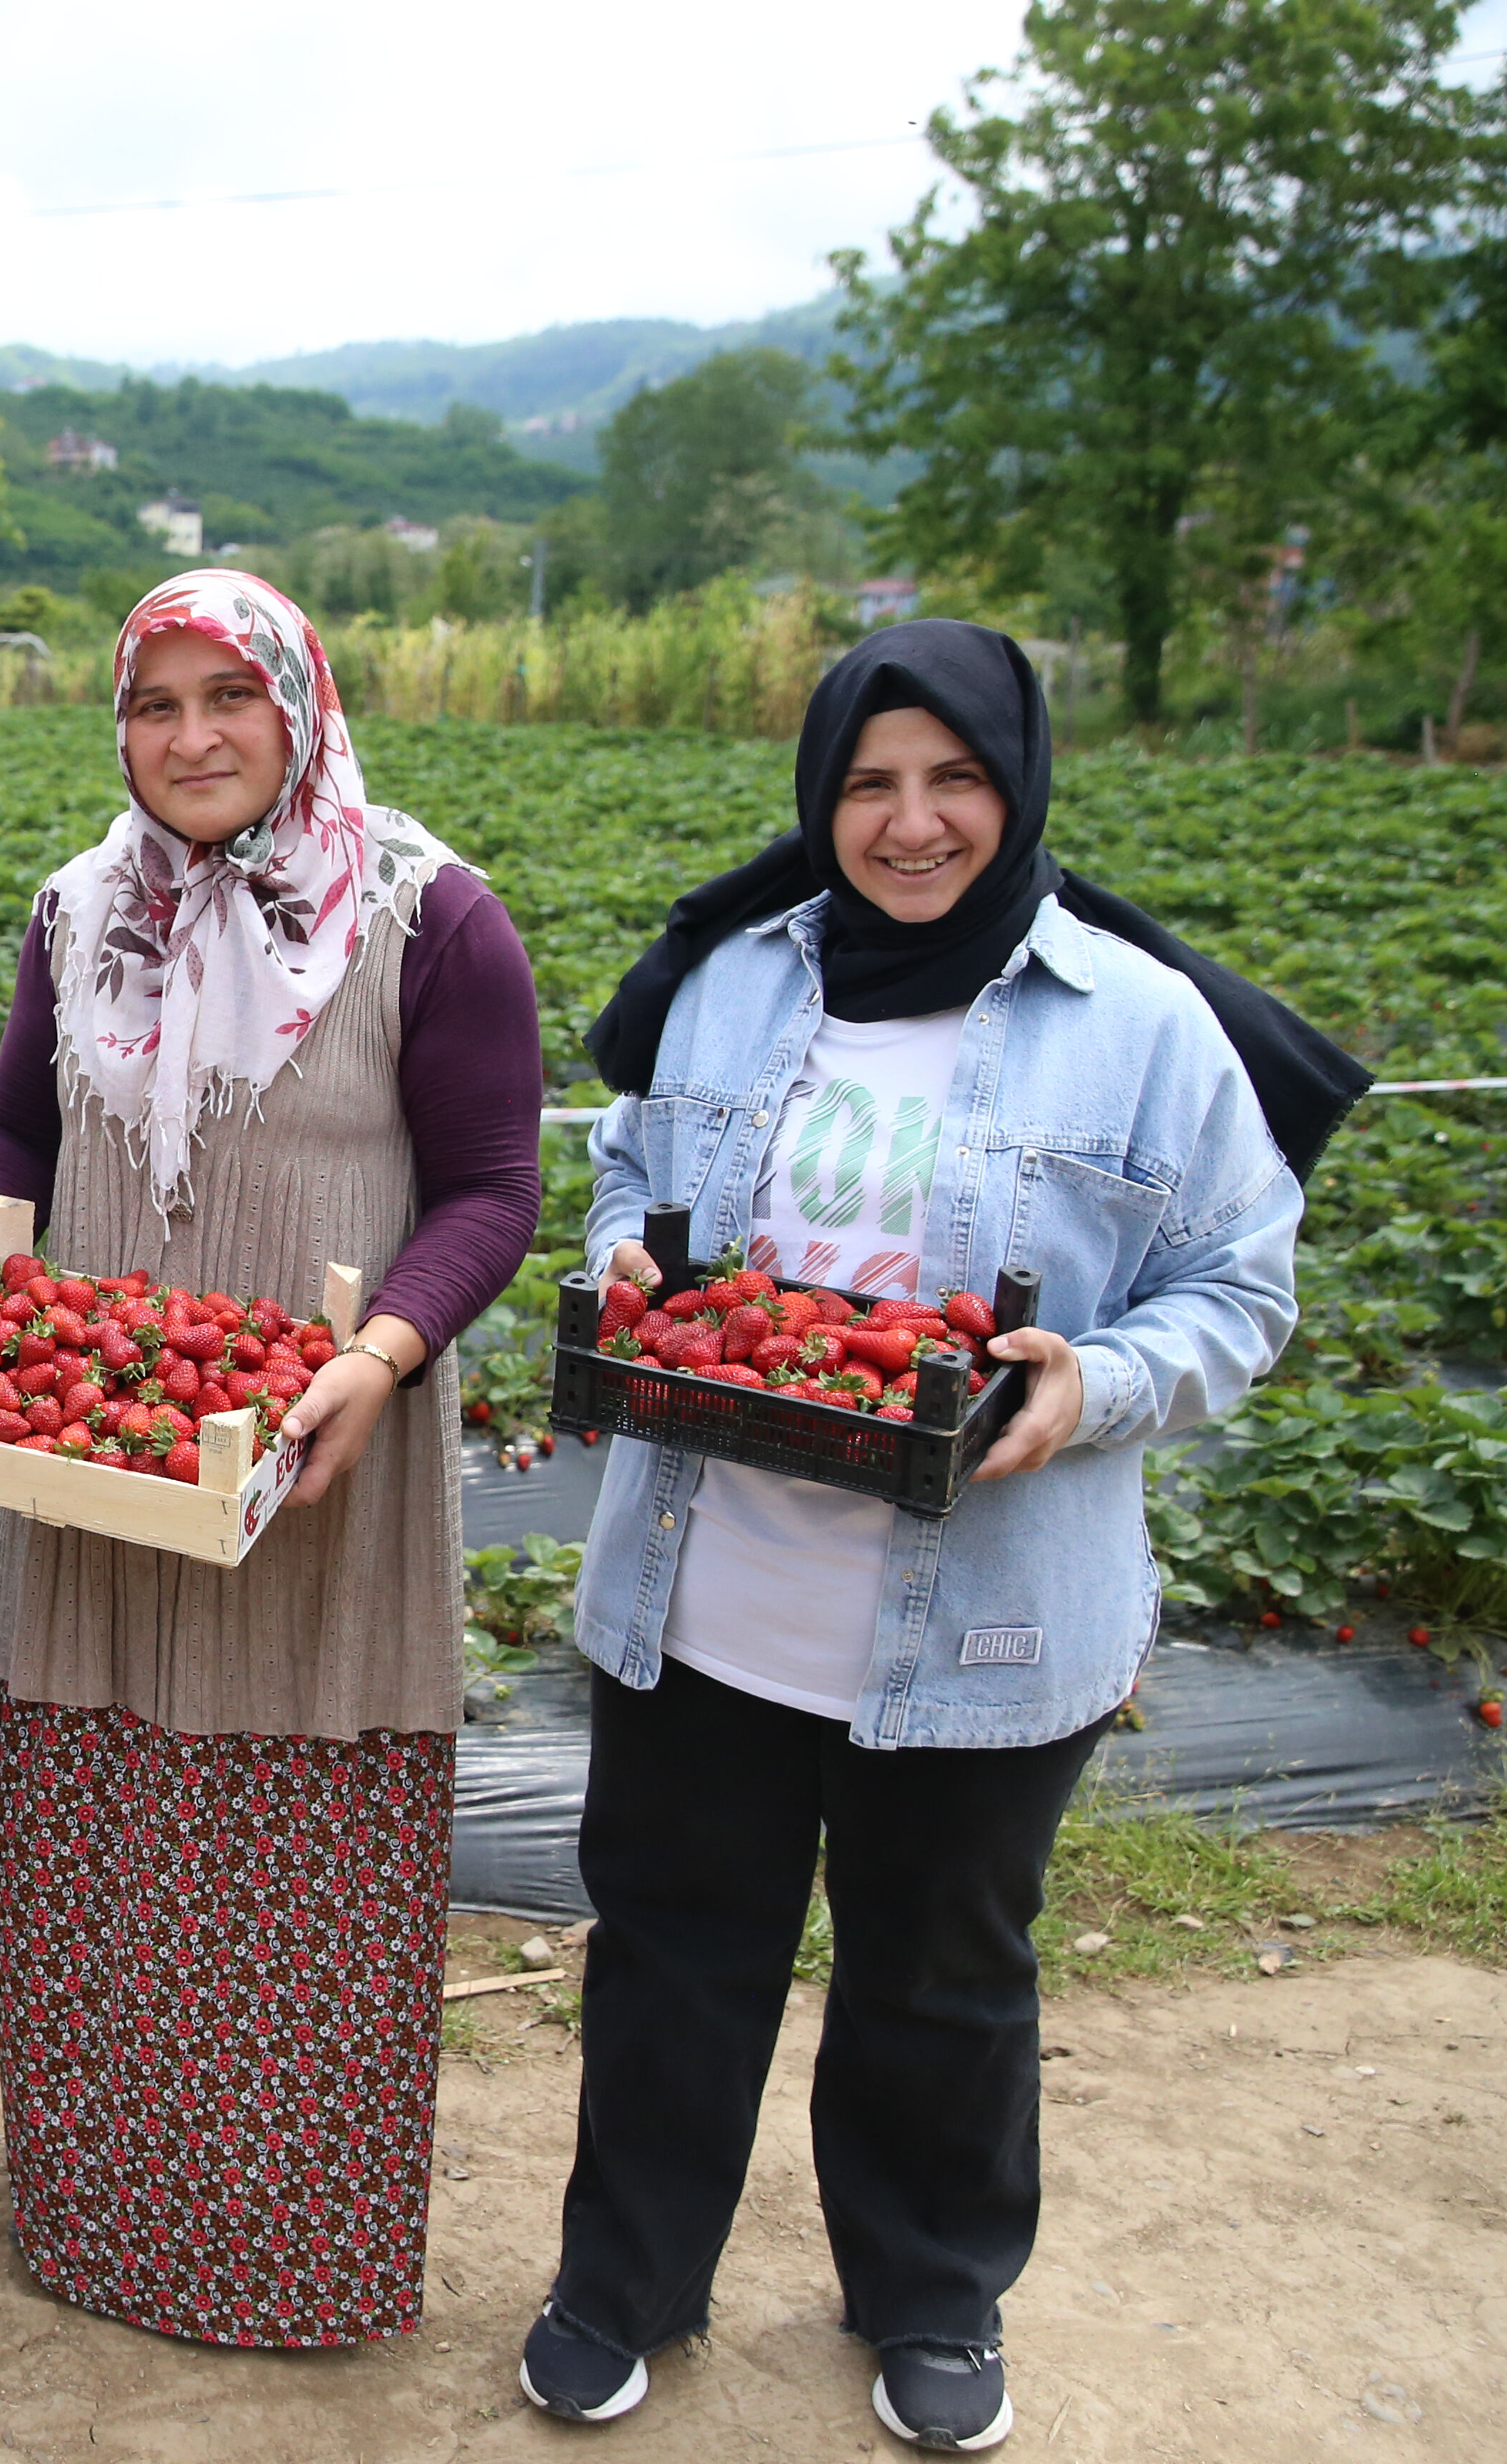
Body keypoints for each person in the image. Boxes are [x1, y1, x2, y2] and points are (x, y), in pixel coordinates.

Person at [518, 620, 1350, 2452]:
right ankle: (626, 2279)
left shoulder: (1136, 1023)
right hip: (708, 1587)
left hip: (985, 1612)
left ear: (1018, 784)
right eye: (869, 784)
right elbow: (634, 1176)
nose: (910, 824)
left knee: (944, 1975)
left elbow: (1240, 1286)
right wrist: (629, 1267)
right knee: (671, 1953)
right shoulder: (736, 979)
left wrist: (1097, 1386)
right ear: (822, 800)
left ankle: (932, 2291)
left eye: (953, 779)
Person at [0, 568, 543, 2348]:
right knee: (100, 1828)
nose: (188, 738)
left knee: (291, 1857)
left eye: (225, 698)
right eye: (151, 704)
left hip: (312, 1458)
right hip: (101, 1449)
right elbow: (17, 1122)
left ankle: (283, 2253)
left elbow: (497, 1188)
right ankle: (104, 2219)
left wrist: (381, 1353)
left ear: (298, 707)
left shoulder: (427, 917)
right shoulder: (76, 911)